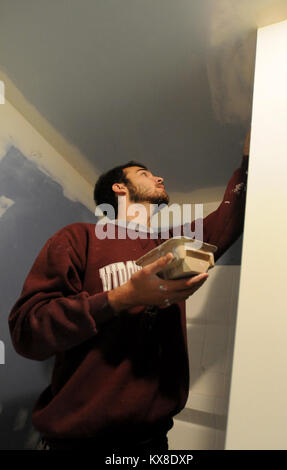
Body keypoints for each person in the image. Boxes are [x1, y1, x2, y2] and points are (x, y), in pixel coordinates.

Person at [8, 131, 250, 451]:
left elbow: (229, 219)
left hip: (152, 443)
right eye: (145, 174)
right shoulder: (79, 237)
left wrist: (248, 159)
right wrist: (122, 298)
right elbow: (27, 331)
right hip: (76, 443)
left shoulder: (171, 244)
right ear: (120, 187)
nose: (159, 177)